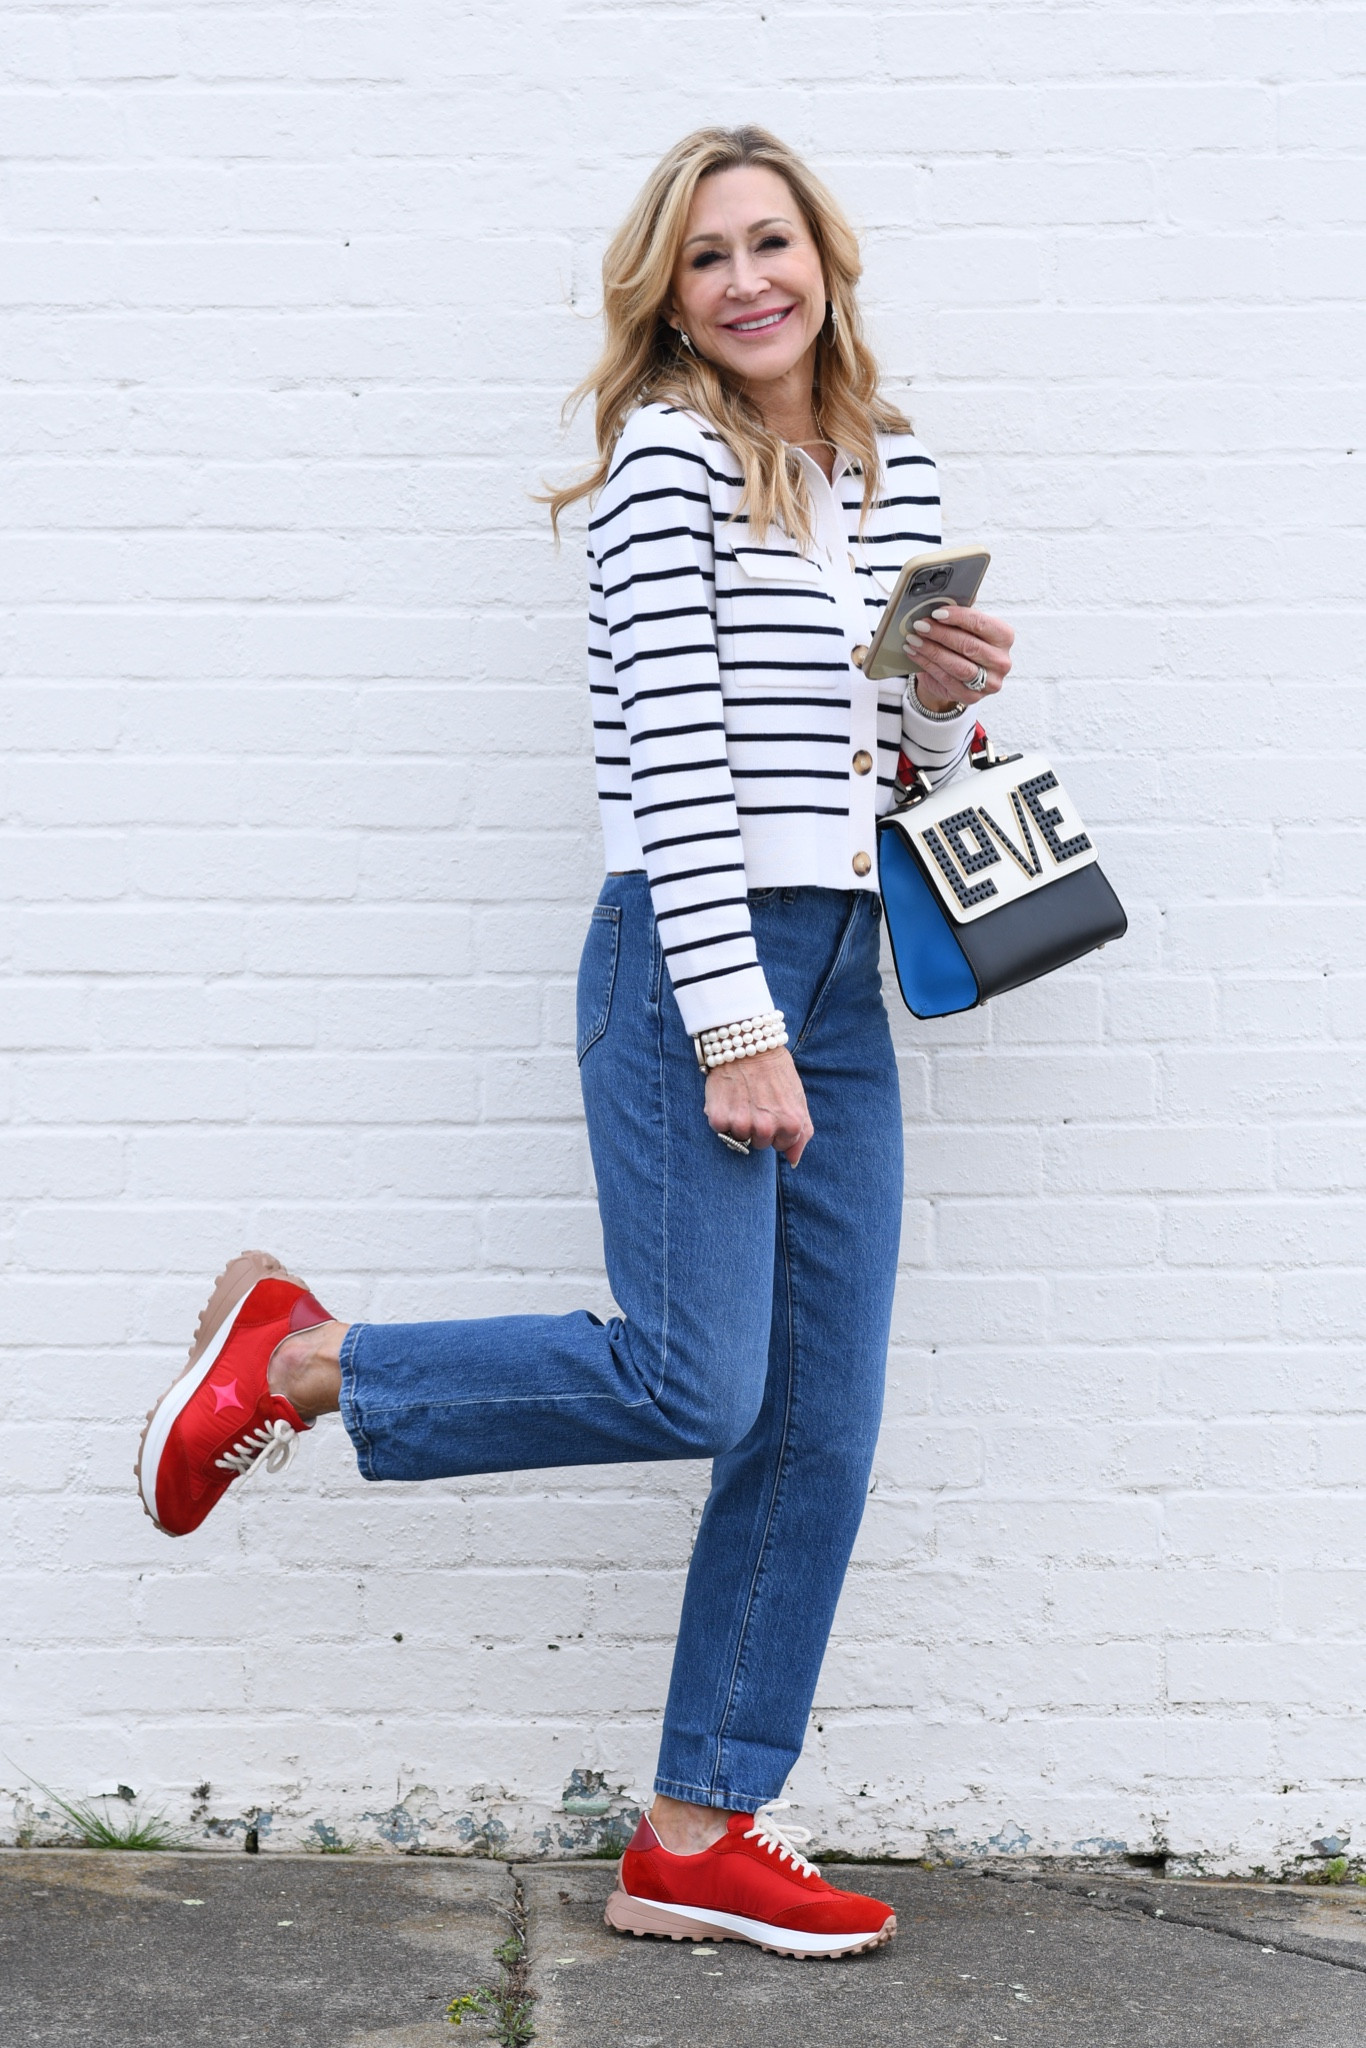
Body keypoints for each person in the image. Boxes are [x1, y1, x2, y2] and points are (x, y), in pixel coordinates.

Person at [136, 124, 1014, 1959]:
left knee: (815, 1426)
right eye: (710, 257)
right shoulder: (665, 469)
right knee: (699, 1380)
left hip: (847, 961)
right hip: (704, 957)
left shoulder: (893, 470)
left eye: (776, 242)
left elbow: (898, 786)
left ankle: (698, 1829)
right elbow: (671, 769)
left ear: (827, 263)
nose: (751, 278)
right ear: (668, 296)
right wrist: (727, 1023)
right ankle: (302, 1363)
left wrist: (943, 710)